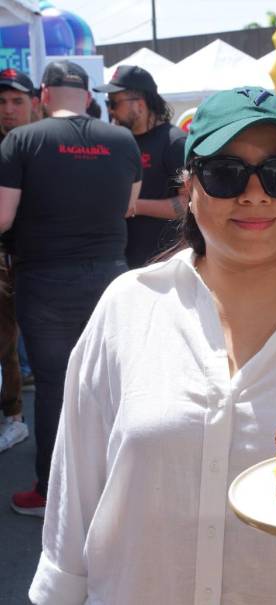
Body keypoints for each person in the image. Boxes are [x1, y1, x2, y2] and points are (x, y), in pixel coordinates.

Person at [28, 87, 276, 605]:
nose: (254, 194)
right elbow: (75, 484)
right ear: (189, 187)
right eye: (225, 172)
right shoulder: (129, 305)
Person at [0, 60, 142, 516]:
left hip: (44, 279)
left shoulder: (21, 140)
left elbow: (3, 218)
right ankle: (119, 486)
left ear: (43, 95)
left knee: (55, 387)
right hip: (110, 275)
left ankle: (52, 492)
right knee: (110, 382)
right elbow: (129, 207)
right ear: (86, 96)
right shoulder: (122, 140)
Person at [95, 65, 187, 267]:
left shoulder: (174, 142)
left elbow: (186, 203)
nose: (110, 110)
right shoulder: (120, 142)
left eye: (114, 102)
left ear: (139, 103)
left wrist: (133, 206)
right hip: (121, 259)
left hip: (162, 261)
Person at [0, 67, 39, 452]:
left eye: (17, 101)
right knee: (7, 344)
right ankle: (14, 417)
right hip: (8, 258)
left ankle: (15, 418)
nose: (8, 109)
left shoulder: (42, 144)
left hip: (41, 260)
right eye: (2, 102)